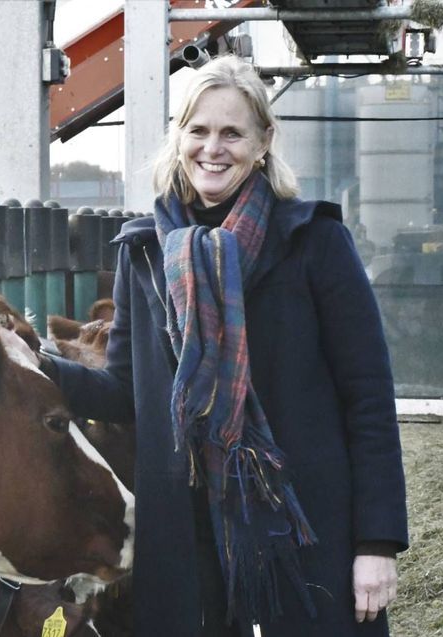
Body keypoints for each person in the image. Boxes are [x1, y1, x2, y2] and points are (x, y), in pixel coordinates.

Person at [40, 55, 408, 637]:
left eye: (232, 133)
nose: (214, 148)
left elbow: (367, 398)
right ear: (179, 138)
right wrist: (33, 363)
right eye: (199, 131)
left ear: (263, 142)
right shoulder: (143, 252)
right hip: (186, 539)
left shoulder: (315, 241)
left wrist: (377, 543)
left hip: (305, 526)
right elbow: (124, 391)